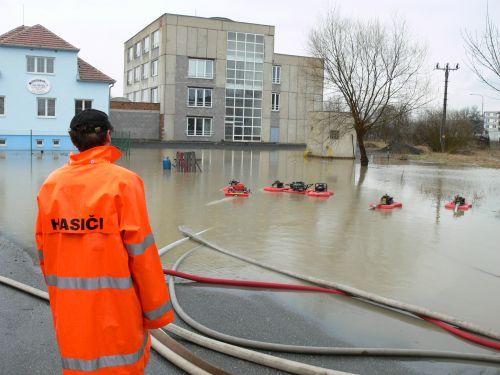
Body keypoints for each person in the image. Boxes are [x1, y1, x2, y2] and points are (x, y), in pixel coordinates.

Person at [35, 109, 174, 374]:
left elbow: (44, 251)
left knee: (79, 363)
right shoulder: (124, 182)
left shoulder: (51, 185)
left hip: (70, 309)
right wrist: (157, 312)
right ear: (109, 136)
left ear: (73, 141)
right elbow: (142, 253)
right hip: (118, 307)